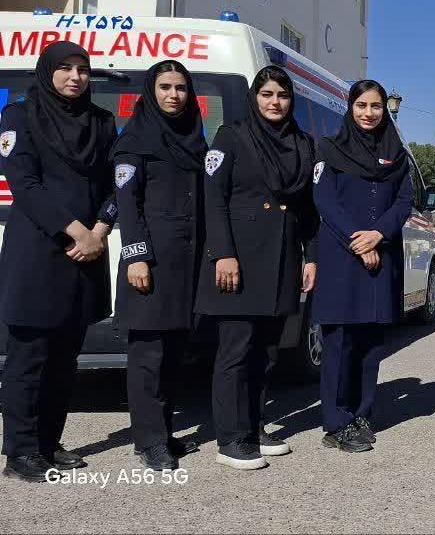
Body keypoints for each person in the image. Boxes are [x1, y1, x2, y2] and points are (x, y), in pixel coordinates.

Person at [0, 42, 117, 483]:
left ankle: (49, 442)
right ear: (47, 71)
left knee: (65, 359)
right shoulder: (19, 116)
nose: (75, 77)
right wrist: (76, 231)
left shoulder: (101, 121)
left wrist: (100, 230)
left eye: (82, 69)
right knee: (28, 358)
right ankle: (21, 452)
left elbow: (115, 184)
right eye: (65, 68)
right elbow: (24, 184)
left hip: (86, 254)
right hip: (38, 253)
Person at [196, 65, 319, 471]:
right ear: (255, 97)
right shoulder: (231, 136)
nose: (275, 102)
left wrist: (312, 255)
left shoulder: (302, 142)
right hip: (239, 259)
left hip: (282, 257)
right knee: (236, 350)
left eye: (282, 95)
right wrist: (222, 253)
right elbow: (213, 197)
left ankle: (253, 426)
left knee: (266, 351)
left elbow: (307, 208)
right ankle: (230, 438)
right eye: (267, 94)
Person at [112, 60, 206, 471]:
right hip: (149, 263)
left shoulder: (193, 138)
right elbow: (127, 204)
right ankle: (148, 441)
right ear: (151, 91)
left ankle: (163, 433)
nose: (174, 95)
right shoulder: (135, 141)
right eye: (165, 87)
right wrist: (136, 256)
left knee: (172, 354)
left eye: (181, 88)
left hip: (184, 264)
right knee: (148, 355)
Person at [311, 80, 413, 454]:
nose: (369, 113)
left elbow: (403, 201)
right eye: (361, 105)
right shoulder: (329, 149)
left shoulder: (396, 154)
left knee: (371, 342)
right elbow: (324, 201)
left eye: (376, 106)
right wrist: (359, 240)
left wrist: (378, 235)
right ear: (350, 107)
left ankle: (362, 413)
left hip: (381, 256)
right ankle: (336, 422)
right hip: (342, 257)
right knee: (339, 342)